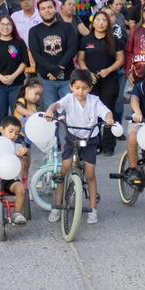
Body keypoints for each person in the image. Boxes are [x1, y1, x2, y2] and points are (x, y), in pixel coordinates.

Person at [45, 69, 116, 225]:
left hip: (90, 139)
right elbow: (57, 105)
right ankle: (57, 206)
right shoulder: (69, 99)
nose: (80, 91)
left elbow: (106, 112)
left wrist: (109, 118)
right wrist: (50, 110)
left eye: (84, 88)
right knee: (64, 169)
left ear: (90, 88)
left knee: (90, 174)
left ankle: (93, 209)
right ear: (71, 87)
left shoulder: (94, 101)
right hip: (72, 138)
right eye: (77, 87)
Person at [77, 10, 125, 156]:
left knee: (108, 111)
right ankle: (95, 143)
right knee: (92, 113)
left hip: (109, 80)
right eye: (98, 20)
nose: (101, 23)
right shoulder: (86, 40)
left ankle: (108, 144)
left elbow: (121, 60)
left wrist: (108, 70)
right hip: (91, 81)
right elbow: (80, 59)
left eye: (104, 20)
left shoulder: (114, 40)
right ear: (93, 22)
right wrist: (88, 74)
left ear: (108, 23)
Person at [28, 0, 79, 107]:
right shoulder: (34, 31)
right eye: (43, 9)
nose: (47, 10)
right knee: (50, 111)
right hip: (46, 79)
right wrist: (53, 70)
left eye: (50, 7)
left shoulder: (67, 27)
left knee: (69, 109)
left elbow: (72, 49)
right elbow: (36, 54)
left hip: (67, 78)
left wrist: (58, 69)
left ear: (55, 9)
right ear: (39, 12)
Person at [0, 15, 31, 125]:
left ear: (13, 26)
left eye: (8, 24)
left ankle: (18, 135)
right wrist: (0, 77)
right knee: (2, 115)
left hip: (16, 84)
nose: (5, 27)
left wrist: (13, 76)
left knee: (17, 114)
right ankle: (2, 136)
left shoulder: (19, 42)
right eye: (3, 24)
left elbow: (24, 62)